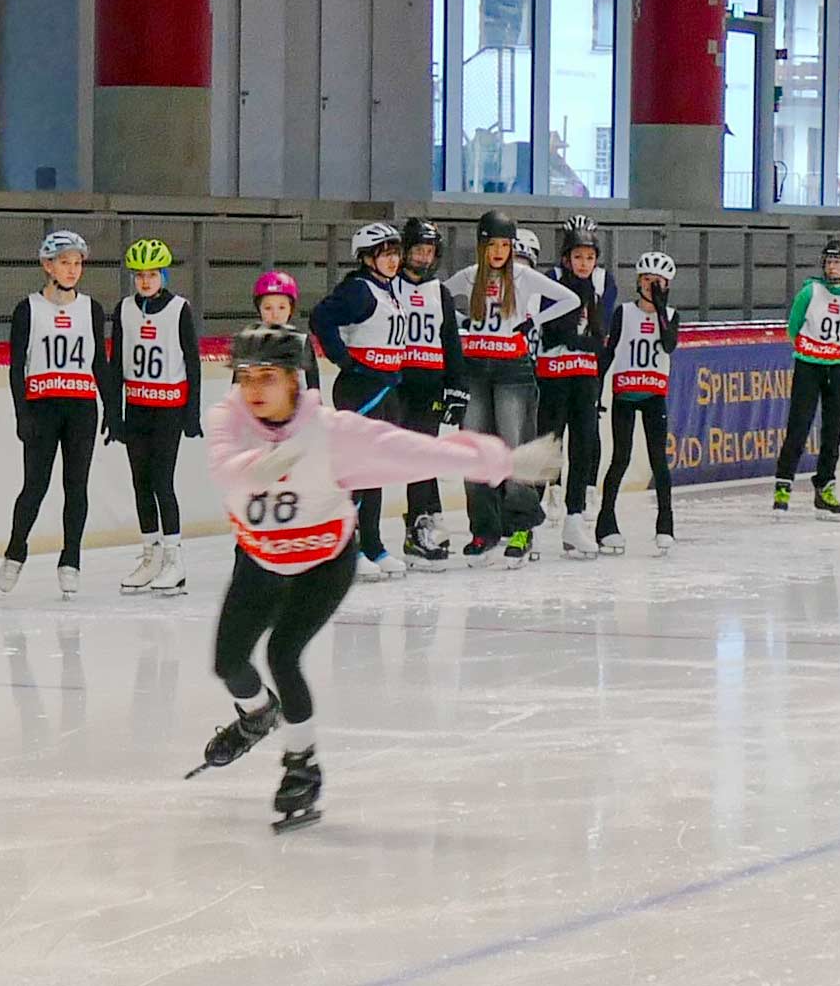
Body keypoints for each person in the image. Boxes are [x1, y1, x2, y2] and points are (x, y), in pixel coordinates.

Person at [190, 323, 562, 832]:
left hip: (323, 562)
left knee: (282, 655)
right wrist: (280, 458)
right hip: (261, 560)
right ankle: (258, 715)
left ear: (296, 380)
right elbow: (228, 471)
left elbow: (410, 450)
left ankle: (302, 765)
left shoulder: (332, 431)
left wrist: (502, 460)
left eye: (268, 377)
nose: (254, 389)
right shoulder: (227, 419)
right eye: (245, 377)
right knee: (227, 662)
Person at [444, 210, 581, 567]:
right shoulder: (469, 276)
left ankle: (521, 528)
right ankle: (484, 530)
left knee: (516, 449)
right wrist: (459, 324)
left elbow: (570, 299)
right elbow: (439, 298)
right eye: (493, 244)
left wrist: (533, 319)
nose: (500, 252)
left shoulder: (523, 276)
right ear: (482, 246)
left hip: (512, 371)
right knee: (475, 449)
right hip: (474, 369)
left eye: (506, 245)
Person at [0, 230, 109, 598]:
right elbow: (17, 367)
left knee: (76, 486)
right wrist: (21, 414)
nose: (72, 270)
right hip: (42, 407)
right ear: (47, 265)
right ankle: (16, 550)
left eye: (77, 263)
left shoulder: (91, 309)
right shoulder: (27, 309)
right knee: (35, 485)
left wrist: (112, 409)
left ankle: (71, 559)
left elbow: (99, 363)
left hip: (81, 407)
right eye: (64, 262)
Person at [309, 222, 409, 580]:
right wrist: (344, 360)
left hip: (383, 387)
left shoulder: (387, 289)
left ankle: (372, 545)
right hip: (361, 389)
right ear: (367, 258)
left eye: (395, 253)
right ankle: (345, 548)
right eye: (385, 254)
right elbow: (320, 317)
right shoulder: (359, 291)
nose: (393, 260)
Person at [107, 237, 201, 595]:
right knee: (140, 482)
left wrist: (191, 412)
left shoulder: (179, 309)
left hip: (168, 409)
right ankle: (151, 555)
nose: (145, 281)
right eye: (139, 275)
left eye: (152, 274)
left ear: (163, 275)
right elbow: (117, 364)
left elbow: (192, 361)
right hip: (138, 407)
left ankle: (175, 559)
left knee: (163, 481)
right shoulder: (125, 309)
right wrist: (114, 414)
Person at [773, 237, 840, 520]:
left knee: (834, 429)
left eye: (838, 262)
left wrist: (837, 356)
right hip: (809, 366)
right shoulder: (810, 292)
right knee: (799, 426)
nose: (833, 266)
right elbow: (793, 326)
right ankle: (783, 484)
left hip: (838, 368)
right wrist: (810, 351)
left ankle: (825, 486)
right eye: (829, 261)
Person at [598, 251, 681, 556]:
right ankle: (606, 523)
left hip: (653, 394)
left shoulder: (671, 315)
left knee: (659, 461)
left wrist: (659, 309)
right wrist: (598, 388)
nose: (652, 286)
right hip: (625, 392)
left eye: (658, 282)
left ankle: (665, 524)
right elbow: (609, 352)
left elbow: (669, 344)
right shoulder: (624, 313)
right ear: (638, 281)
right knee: (620, 458)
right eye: (647, 281)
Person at [395, 217, 466, 570]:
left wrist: (457, 387)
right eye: (417, 250)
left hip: (429, 386)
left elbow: (451, 342)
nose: (423, 258)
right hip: (395, 385)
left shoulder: (440, 293)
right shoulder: (388, 286)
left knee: (423, 458)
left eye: (428, 251)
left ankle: (419, 525)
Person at [538, 227, 607, 558]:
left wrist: (579, 341)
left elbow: (599, 338)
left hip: (585, 378)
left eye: (590, 258)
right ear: (566, 258)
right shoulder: (550, 285)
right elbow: (552, 333)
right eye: (578, 257)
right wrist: (578, 340)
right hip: (552, 377)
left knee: (583, 448)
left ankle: (575, 519)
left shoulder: (599, 288)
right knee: (548, 448)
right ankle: (529, 524)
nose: (584, 263)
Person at [252, 270, 320, 389]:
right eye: (268, 308)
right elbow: (236, 389)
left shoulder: (301, 341)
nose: (275, 314)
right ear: (259, 309)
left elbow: (313, 389)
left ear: (291, 309)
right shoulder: (249, 341)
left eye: (282, 307)